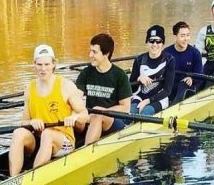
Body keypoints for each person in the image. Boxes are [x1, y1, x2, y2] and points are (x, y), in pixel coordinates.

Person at [8, 44, 86, 176]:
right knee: (18, 133)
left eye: (47, 64)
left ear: (54, 64)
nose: (43, 69)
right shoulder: (29, 88)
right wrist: (32, 121)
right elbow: (23, 122)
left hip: (63, 140)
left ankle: (34, 178)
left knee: (47, 134)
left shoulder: (66, 86)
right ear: (34, 64)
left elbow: (85, 115)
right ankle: (13, 180)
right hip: (38, 139)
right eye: (39, 65)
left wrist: (74, 117)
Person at [75, 33, 132, 144]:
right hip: (90, 117)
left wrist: (104, 111)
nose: (90, 55)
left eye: (94, 52)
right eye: (90, 50)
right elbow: (76, 97)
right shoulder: (86, 72)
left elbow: (126, 108)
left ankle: (87, 152)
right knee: (76, 114)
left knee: (98, 114)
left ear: (106, 54)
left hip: (113, 121)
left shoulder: (120, 75)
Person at [129, 25, 176, 115]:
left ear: (162, 44)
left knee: (145, 112)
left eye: (158, 41)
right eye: (151, 41)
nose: (155, 44)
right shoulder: (139, 60)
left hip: (160, 98)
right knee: (132, 111)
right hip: (140, 96)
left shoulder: (169, 60)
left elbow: (167, 90)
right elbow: (131, 89)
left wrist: (148, 101)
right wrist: (139, 78)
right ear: (147, 43)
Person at [164, 21, 204, 104]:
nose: (186, 39)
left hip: (187, 87)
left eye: (188, 35)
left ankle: (173, 107)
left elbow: (199, 76)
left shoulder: (195, 53)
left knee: (183, 84)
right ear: (175, 36)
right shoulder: (166, 53)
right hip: (171, 85)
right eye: (182, 36)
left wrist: (192, 79)